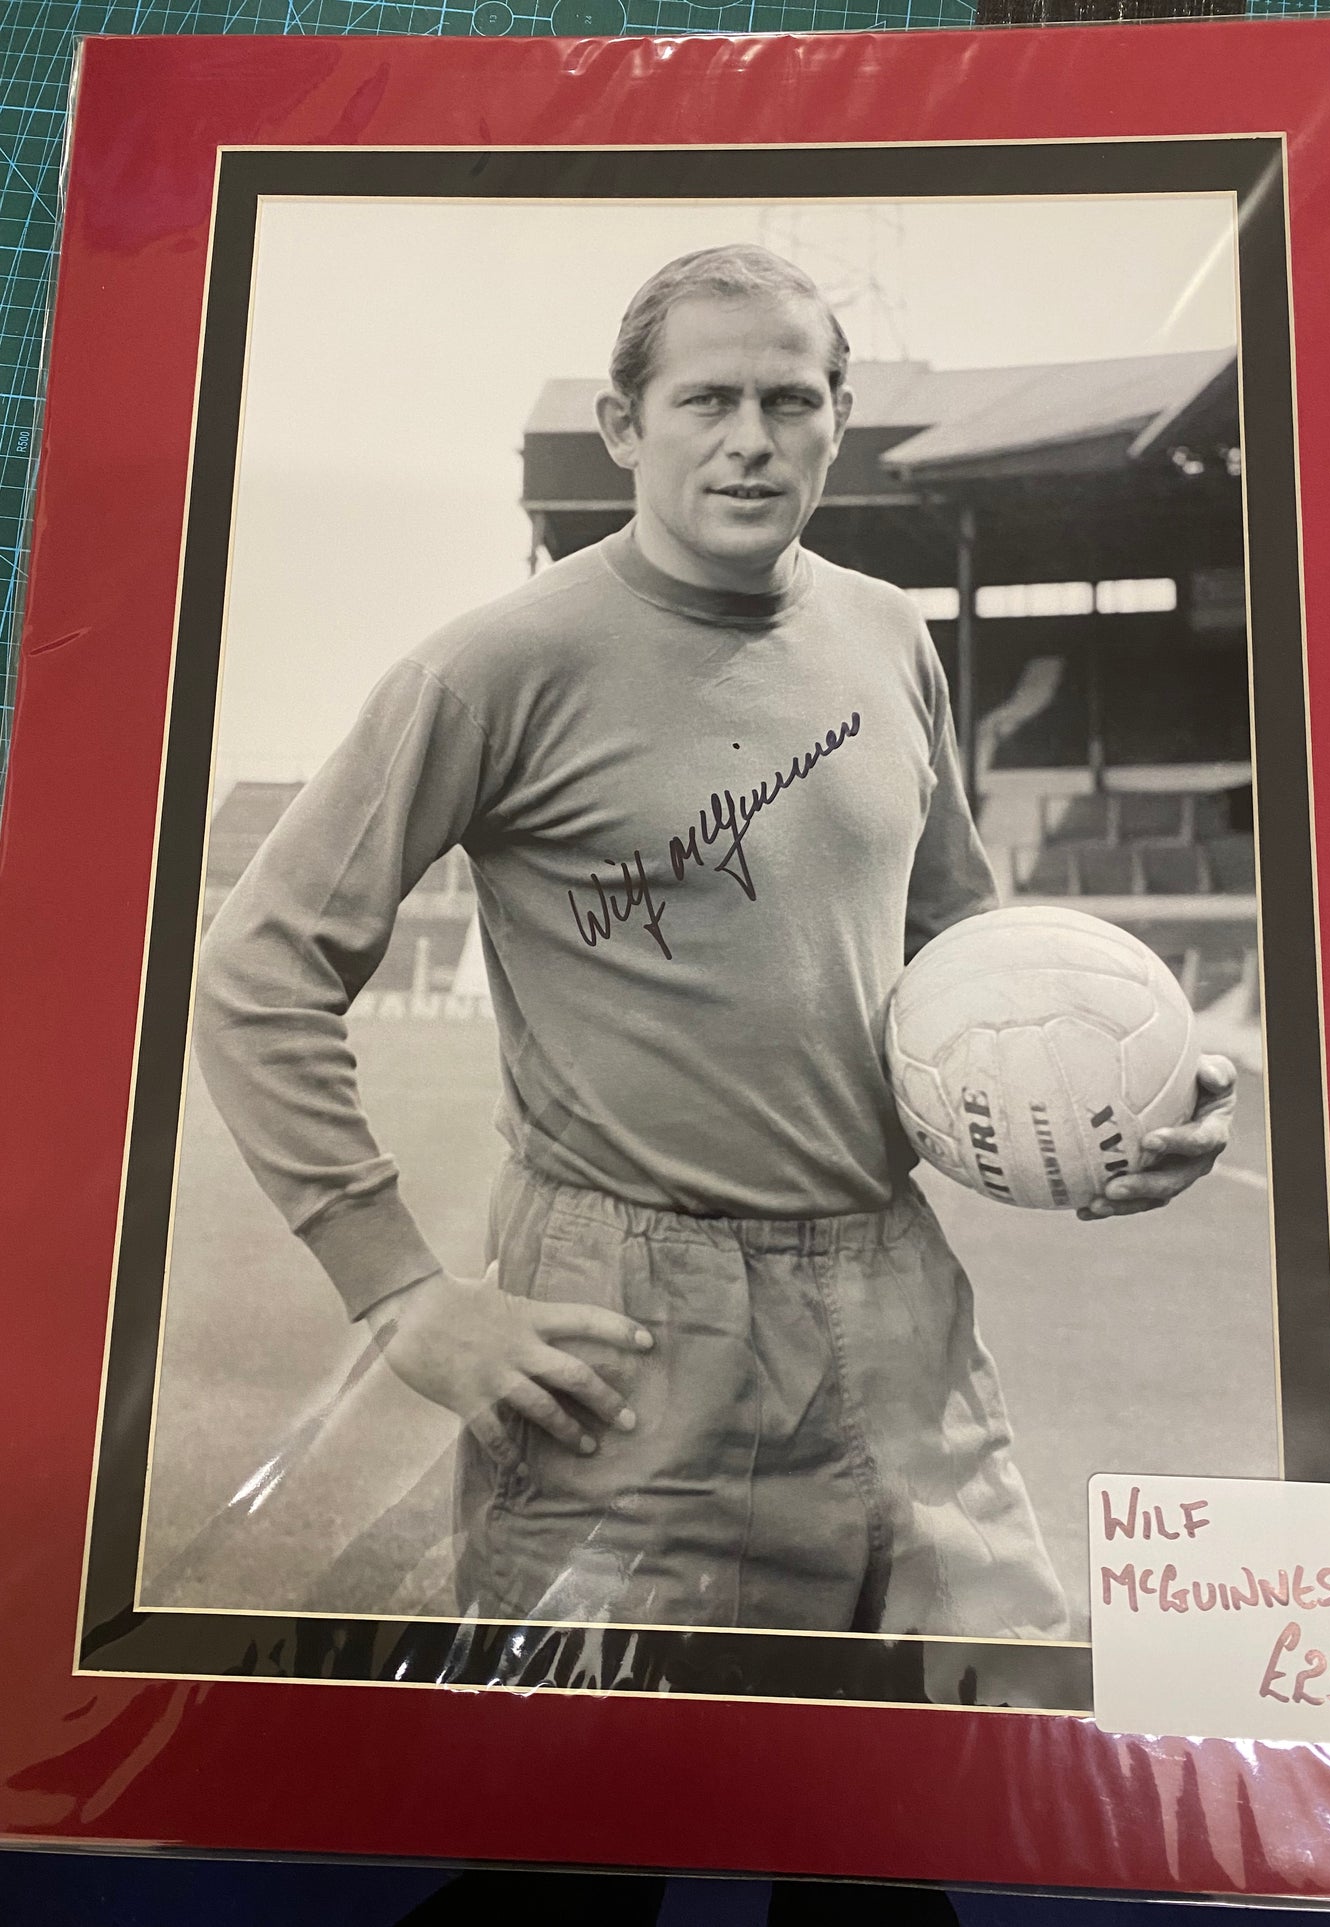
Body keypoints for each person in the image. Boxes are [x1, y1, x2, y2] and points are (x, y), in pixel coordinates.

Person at [195, 244, 1235, 1640]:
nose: (752, 440)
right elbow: (257, 970)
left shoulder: (886, 635)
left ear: (836, 417)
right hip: (631, 1327)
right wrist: (396, 1289)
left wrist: (1103, 1115)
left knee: (978, 1759)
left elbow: (962, 948)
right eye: (707, 401)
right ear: (626, 426)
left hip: (899, 1306)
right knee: (609, 1799)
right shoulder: (496, 665)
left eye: (791, 400)